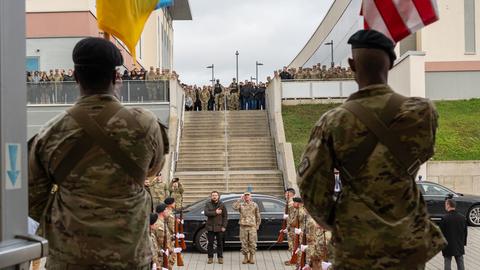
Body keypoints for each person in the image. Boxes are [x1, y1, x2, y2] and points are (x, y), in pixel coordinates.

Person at [297, 29, 446, 269]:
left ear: (351, 65)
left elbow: (311, 188)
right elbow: (424, 153)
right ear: (392, 63)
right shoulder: (421, 113)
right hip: (407, 242)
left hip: (356, 246)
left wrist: (339, 220)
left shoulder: (333, 122)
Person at [28, 37, 168, 269]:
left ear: (75, 76)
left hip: (70, 258)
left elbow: (33, 198)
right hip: (128, 256)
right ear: (116, 78)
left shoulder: (50, 132)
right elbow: (153, 169)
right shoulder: (145, 124)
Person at [232, 192, 261, 264]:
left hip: (252, 227)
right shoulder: (241, 205)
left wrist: (257, 225)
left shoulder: (255, 205)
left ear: (251, 197)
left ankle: (251, 257)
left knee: (252, 242)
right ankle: (245, 257)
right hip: (243, 226)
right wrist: (239, 199)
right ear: (244, 197)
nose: (247, 197)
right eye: (245, 196)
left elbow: (258, 215)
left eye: (248, 196)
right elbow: (234, 207)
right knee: (244, 242)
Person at [440, 199, 468, 270]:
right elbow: (465, 232)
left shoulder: (444, 218)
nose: (445, 206)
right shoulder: (462, 218)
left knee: (447, 261)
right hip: (459, 244)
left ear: (448, 205)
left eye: (445, 205)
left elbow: (441, 233)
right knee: (460, 261)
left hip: (447, 244)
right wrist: (463, 243)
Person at [204, 191, 228, 264]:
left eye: (216, 195)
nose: (214, 196)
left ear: (218, 196)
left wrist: (224, 226)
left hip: (219, 227)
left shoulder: (222, 204)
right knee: (210, 243)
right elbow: (206, 213)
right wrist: (215, 212)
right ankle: (210, 258)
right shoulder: (208, 204)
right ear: (211, 196)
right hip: (210, 227)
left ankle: (220, 257)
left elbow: (225, 216)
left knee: (220, 243)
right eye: (213, 195)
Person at [283, 187, 296, 265]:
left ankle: (295, 260)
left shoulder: (292, 203)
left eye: (286, 193)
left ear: (290, 194)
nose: (285, 195)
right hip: (290, 227)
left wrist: (288, 227)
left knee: (294, 244)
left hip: (293, 228)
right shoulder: (289, 202)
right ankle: (293, 259)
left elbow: (294, 217)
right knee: (291, 244)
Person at [164, 197, 177, 269]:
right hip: (169, 237)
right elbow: (172, 228)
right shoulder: (170, 214)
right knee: (171, 257)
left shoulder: (165, 211)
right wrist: (175, 235)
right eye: (174, 203)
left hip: (165, 236)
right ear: (170, 204)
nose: (175, 204)